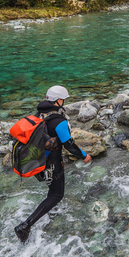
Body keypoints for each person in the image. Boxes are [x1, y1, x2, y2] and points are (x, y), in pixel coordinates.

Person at [15, 85, 92, 243]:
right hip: (52, 162)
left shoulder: (40, 113)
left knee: (52, 190)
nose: (64, 102)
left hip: (39, 159)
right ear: (58, 100)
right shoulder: (58, 120)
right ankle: (25, 225)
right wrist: (84, 156)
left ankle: (48, 209)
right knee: (56, 195)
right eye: (63, 99)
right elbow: (69, 144)